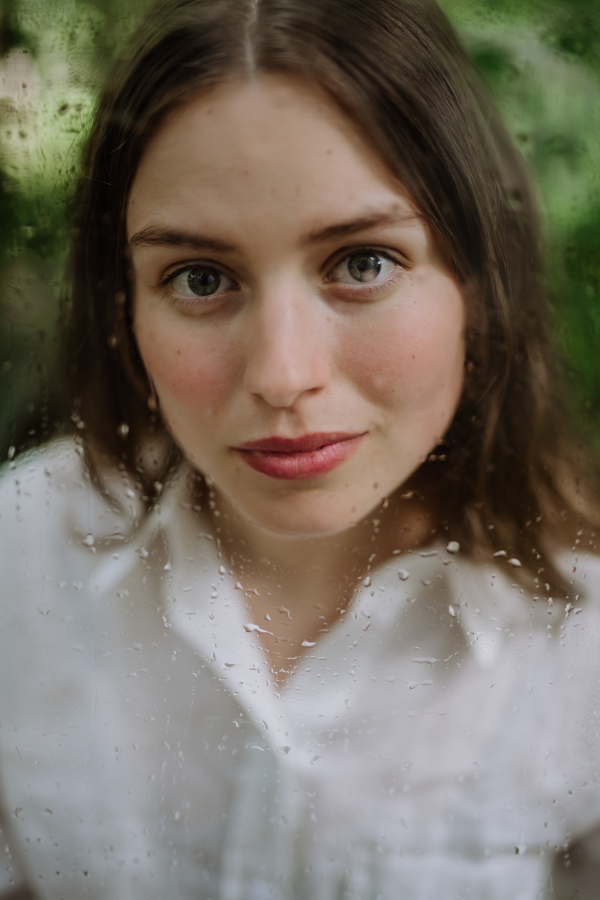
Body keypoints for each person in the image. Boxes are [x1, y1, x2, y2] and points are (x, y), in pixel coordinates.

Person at [1, 0, 599, 897]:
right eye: (200, 279)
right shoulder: (17, 558)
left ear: (479, 281)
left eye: (363, 263)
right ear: (122, 304)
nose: (282, 374)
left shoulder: (582, 627)